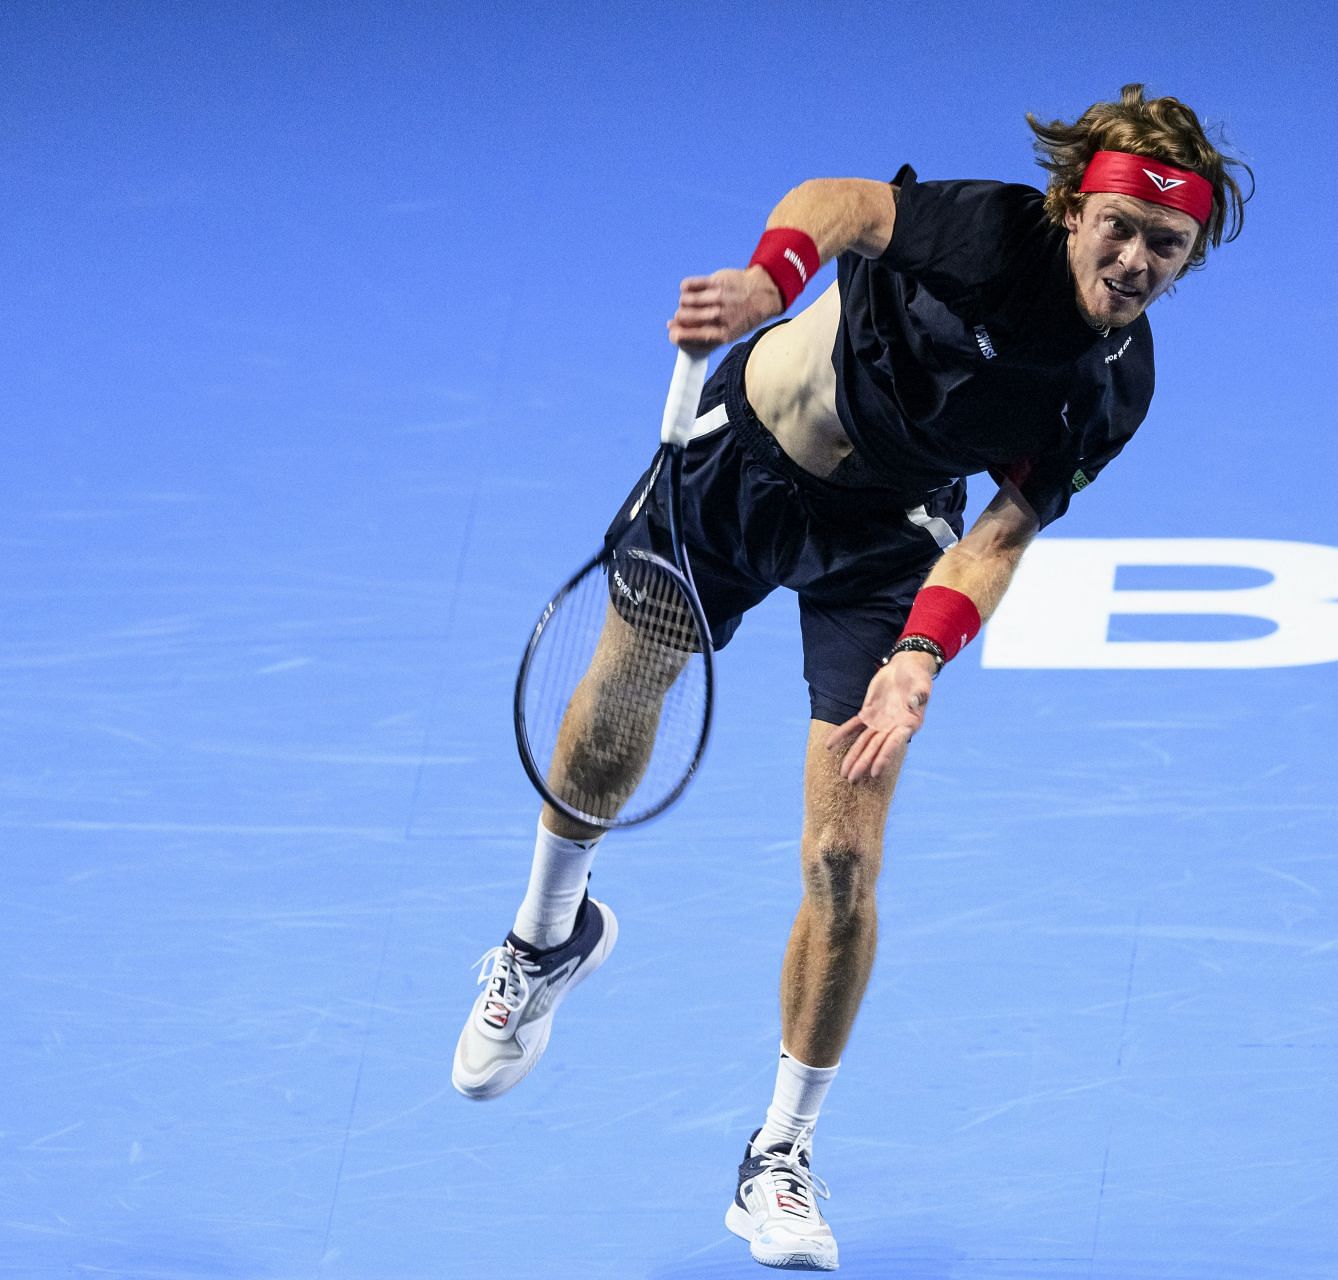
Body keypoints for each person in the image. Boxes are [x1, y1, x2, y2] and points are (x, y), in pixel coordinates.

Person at [452, 84, 1249, 1271]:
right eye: (1119, 227)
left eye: (1165, 246)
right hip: (742, 469)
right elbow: (839, 204)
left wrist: (920, 659)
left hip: (888, 539)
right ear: (1076, 207)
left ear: (1189, 259)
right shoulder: (990, 234)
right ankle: (544, 936)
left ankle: (779, 1151)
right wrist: (776, 279)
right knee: (618, 713)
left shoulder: (1111, 388)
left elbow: (1008, 528)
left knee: (843, 853)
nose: (1134, 260)